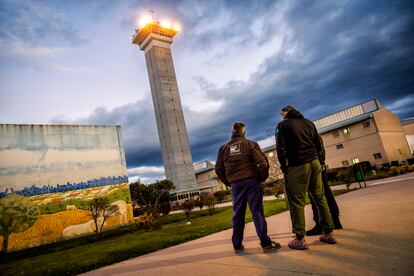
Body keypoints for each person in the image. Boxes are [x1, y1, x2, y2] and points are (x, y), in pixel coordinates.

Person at [276, 105, 336, 250]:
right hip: (315, 163)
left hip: (297, 165)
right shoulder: (309, 123)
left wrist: (285, 169)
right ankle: (328, 233)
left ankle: (299, 238)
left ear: (285, 112)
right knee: (320, 198)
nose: (280, 116)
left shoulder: (283, 125)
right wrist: (321, 162)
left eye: (281, 114)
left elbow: (280, 149)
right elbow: (318, 144)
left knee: (296, 201)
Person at [216, 121, 280, 253]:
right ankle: (266, 243)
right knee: (257, 212)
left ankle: (237, 245)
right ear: (243, 132)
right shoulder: (250, 144)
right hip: (251, 182)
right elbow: (262, 163)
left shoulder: (223, 148)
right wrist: (260, 177)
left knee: (237, 214)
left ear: (232, 131)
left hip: (236, 185)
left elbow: (218, 169)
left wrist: (229, 182)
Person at [306, 136, 343, 236]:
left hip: (314, 168)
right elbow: (321, 150)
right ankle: (335, 220)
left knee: (315, 196)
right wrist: (321, 163)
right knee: (327, 193)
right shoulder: (315, 135)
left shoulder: (306, 136)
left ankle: (319, 224)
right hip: (320, 166)